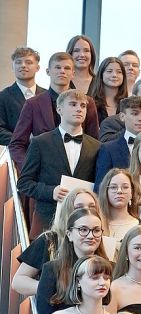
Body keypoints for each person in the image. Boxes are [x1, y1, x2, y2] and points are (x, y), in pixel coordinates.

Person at [17, 89, 100, 233]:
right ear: (59, 109)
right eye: (73, 104)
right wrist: (51, 191)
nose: (79, 109)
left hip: (84, 224)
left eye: (83, 106)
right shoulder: (40, 142)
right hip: (47, 220)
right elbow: (24, 183)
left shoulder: (97, 146)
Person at [8, 51, 99, 169]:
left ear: (73, 73)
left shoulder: (88, 103)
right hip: (44, 175)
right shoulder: (33, 104)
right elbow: (17, 144)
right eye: (57, 67)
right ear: (48, 71)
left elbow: (95, 143)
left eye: (67, 68)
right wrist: (30, 168)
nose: (62, 71)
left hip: (80, 174)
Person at [0, 45, 40, 149]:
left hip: (47, 155)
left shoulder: (48, 95)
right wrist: (25, 140)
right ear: (12, 67)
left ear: (37, 67)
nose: (23, 65)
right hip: (16, 154)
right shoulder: (3, 97)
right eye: (18, 62)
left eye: (28, 62)